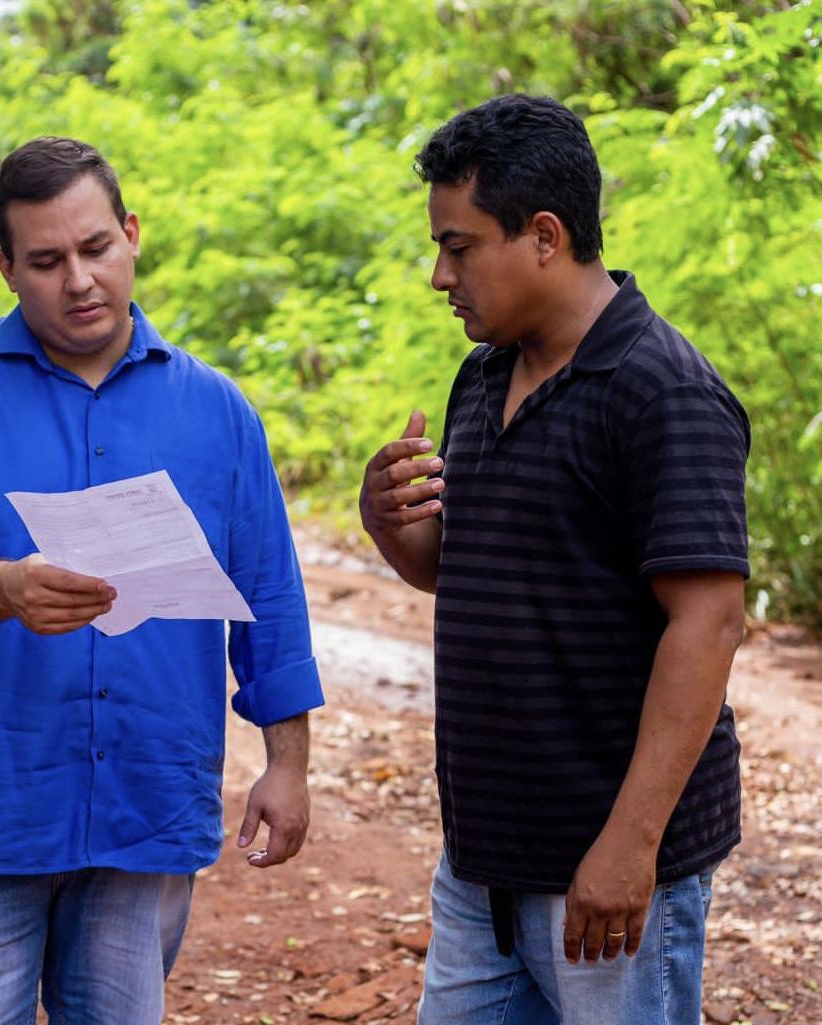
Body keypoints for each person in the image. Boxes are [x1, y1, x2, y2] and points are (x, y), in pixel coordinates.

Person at [0, 136, 324, 1025]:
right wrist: (4, 586)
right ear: (6, 268)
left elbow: (267, 593)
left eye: (95, 247)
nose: (78, 280)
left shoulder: (217, 410)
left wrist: (287, 762)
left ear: (132, 235)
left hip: (145, 808)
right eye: (45, 261)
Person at [359, 95, 749, 1025]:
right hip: (483, 863)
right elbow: (467, 569)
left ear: (543, 235)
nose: (439, 275)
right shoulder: (483, 373)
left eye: (458, 247)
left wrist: (630, 844)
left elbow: (709, 620)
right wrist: (388, 523)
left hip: (606, 877)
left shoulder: (661, 389)